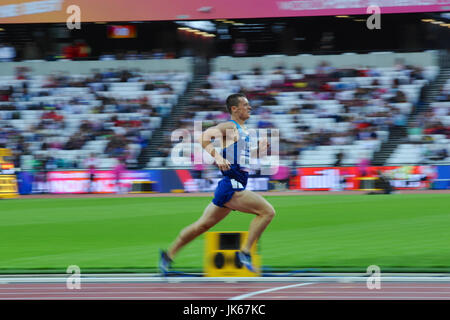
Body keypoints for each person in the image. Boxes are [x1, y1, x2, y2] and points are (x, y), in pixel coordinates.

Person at [159, 93, 275, 275]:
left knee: (201, 226)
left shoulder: (243, 132)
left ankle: (167, 256)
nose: (250, 107)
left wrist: (259, 150)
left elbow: (244, 159)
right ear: (234, 109)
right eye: (245, 105)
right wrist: (218, 157)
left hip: (232, 185)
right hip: (232, 186)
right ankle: (244, 253)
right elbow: (203, 137)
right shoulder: (229, 126)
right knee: (267, 212)